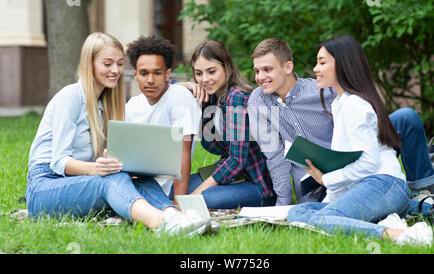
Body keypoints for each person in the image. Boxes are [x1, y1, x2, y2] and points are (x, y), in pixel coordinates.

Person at [25, 32, 209, 236]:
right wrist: (99, 169)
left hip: (80, 183)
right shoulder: (70, 97)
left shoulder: (109, 104)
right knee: (110, 179)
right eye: (107, 64)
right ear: (90, 64)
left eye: (120, 64)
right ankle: (161, 222)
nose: (115, 70)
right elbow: (59, 162)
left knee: (141, 179)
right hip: (45, 186)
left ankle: (176, 217)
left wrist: (178, 86)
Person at [247, 37, 434, 207]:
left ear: (288, 67)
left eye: (267, 69)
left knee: (405, 118)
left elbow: (362, 118)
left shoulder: (323, 89)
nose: (260, 77)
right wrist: (283, 205)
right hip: (315, 184)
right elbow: (275, 156)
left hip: (353, 165)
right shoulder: (258, 101)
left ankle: (422, 193)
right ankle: (416, 206)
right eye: (256, 71)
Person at [286, 34, 433, 246]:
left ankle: (400, 235)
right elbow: (348, 165)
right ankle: (413, 212)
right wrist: (330, 201)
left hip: (383, 184)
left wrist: (324, 180)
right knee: (299, 212)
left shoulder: (355, 105)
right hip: (366, 189)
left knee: (322, 219)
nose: (315, 68)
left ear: (343, 64)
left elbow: (367, 164)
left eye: (322, 62)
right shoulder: (340, 104)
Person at [174, 40, 276, 209]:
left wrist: (195, 194)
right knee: (174, 191)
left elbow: (236, 160)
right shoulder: (213, 97)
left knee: (196, 201)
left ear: (226, 67)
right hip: (234, 176)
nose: (204, 79)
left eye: (211, 71)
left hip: (257, 184)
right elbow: (166, 90)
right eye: (198, 73)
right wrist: (186, 85)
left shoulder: (237, 98)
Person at [124, 35, 202, 200]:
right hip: (140, 185)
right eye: (144, 73)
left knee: (212, 200)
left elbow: (183, 153)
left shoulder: (180, 97)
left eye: (157, 73)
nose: (150, 80)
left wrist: (178, 201)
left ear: (167, 74)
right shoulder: (131, 105)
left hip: (172, 186)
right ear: (135, 75)